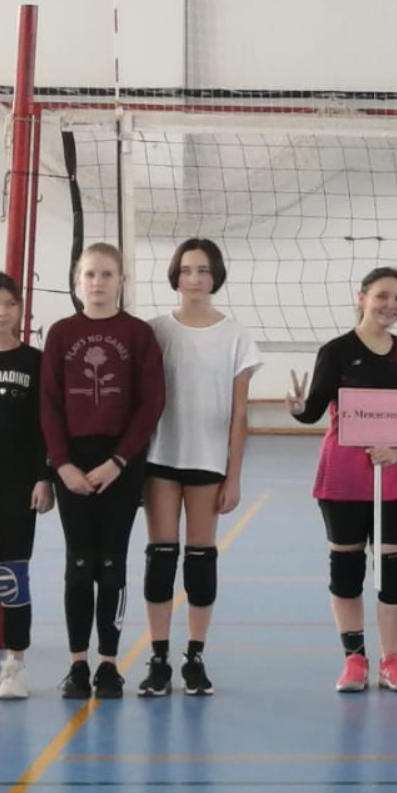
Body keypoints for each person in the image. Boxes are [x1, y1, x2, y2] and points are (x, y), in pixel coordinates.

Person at [288, 267, 397, 692]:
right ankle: (354, 660)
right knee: (346, 568)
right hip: (344, 475)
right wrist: (299, 408)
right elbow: (314, 410)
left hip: (392, 472)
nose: (391, 305)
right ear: (362, 297)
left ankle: (391, 660)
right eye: (383, 295)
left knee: (395, 568)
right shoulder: (336, 351)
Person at [41, 243, 166, 699]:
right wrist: (62, 463)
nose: (97, 282)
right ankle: (78, 664)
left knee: (112, 561)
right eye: (90, 274)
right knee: (79, 563)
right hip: (73, 463)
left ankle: (109, 664)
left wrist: (120, 461)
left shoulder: (138, 334)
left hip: (120, 464)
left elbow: (151, 403)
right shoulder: (61, 333)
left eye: (106, 274)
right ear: (78, 281)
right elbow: (48, 403)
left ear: (121, 282)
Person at [138, 239, 262, 697]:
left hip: (208, 462)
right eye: (187, 269)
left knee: (200, 561)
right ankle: (158, 658)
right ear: (175, 274)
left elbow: (240, 413)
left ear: (216, 276)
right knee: (160, 558)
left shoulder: (235, 335)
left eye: (203, 270)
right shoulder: (155, 331)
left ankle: (194, 656)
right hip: (161, 458)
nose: (194, 278)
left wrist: (234, 476)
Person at [0, 272, 51, 699]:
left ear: (20, 309)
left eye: (10, 304)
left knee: (12, 575)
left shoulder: (33, 361)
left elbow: (44, 427)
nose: (2, 312)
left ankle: (15, 666)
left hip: (18, 483)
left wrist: (44, 476)